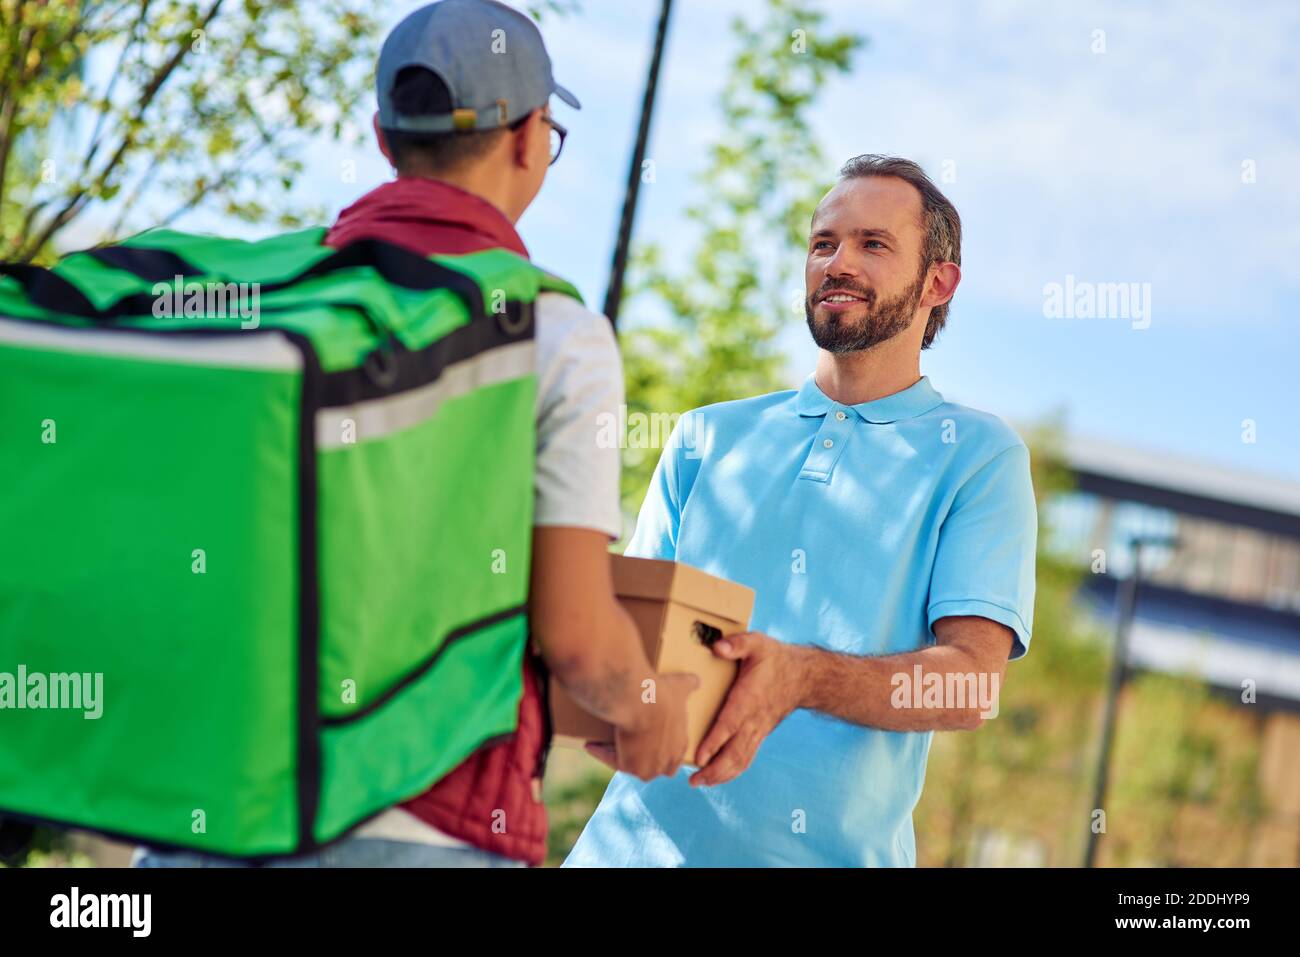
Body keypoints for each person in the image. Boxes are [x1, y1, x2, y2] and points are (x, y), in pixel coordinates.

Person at [134, 0, 695, 869]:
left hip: (208, 812)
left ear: (386, 139)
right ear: (527, 137)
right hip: (425, 832)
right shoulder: (551, 332)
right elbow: (578, 635)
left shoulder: (266, 303)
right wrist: (650, 703)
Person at [564, 155, 1038, 867]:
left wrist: (801, 676)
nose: (838, 263)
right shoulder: (705, 436)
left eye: (873, 244)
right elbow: (629, 637)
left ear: (939, 283)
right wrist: (611, 694)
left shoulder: (977, 457)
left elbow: (969, 682)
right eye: (824, 243)